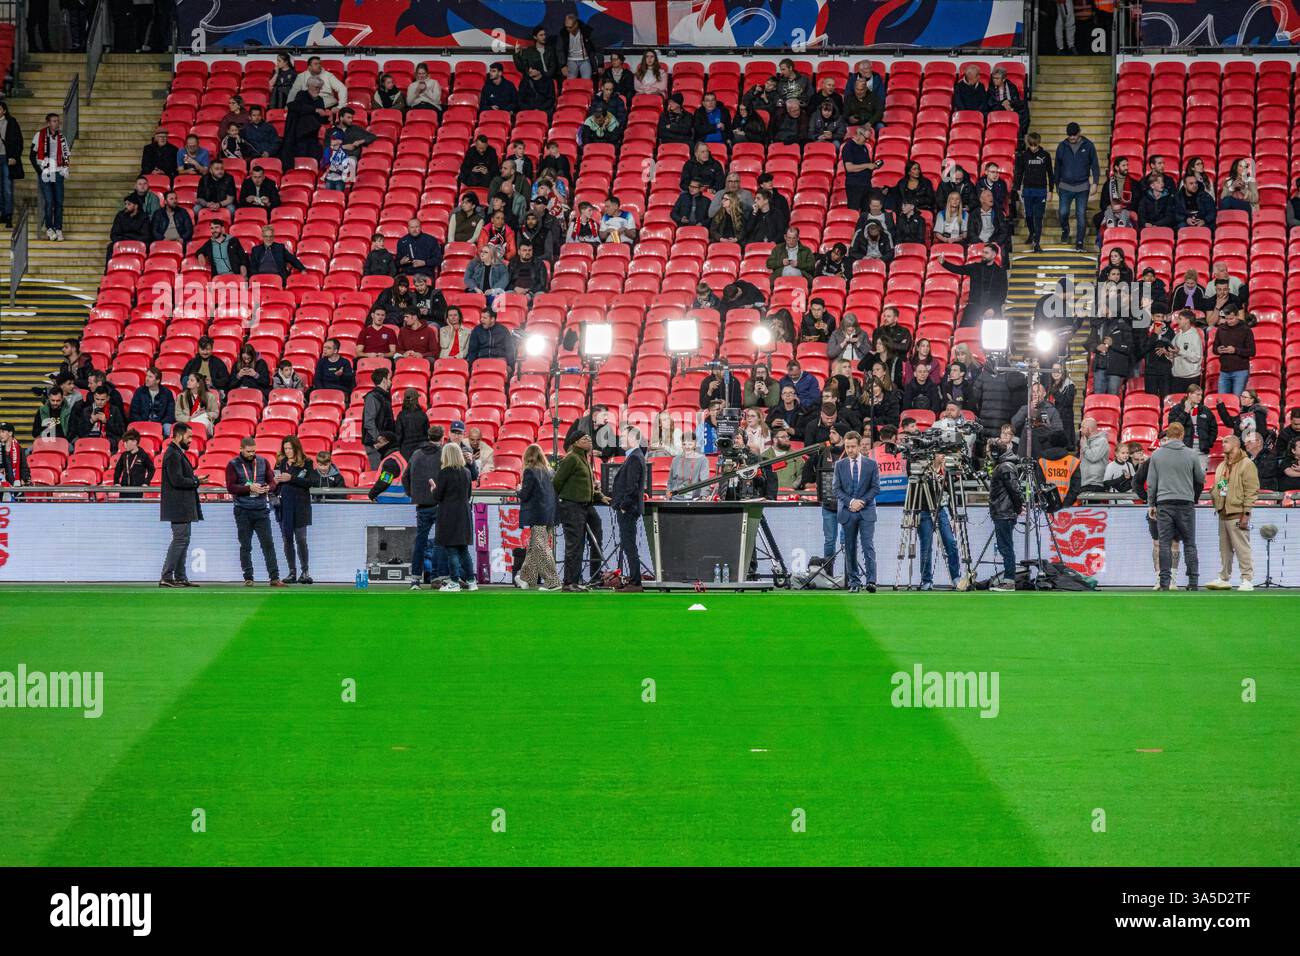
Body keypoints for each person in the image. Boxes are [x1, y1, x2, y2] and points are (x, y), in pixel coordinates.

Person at [1147, 422, 1205, 591]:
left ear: (1168, 434)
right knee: (1189, 543)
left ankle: (1164, 582)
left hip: (1164, 503)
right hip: (1186, 503)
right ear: (1182, 435)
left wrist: (1152, 503)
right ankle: (1193, 582)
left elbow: (1151, 483)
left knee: (1164, 543)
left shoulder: (1157, 455)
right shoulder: (1191, 454)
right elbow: (1201, 479)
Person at [226, 436, 285, 587]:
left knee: (268, 544)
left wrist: (268, 488)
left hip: (260, 509)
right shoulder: (232, 465)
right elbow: (231, 487)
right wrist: (249, 488)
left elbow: (272, 482)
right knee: (245, 545)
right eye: (248, 451)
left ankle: (274, 578)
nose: (252, 454)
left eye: (254, 451)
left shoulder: (263, 462)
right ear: (241, 449)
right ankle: (248, 577)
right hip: (242, 510)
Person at [554, 432, 608, 591]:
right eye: (585, 439)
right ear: (575, 442)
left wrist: (598, 496)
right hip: (572, 506)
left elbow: (587, 484)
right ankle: (569, 582)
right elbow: (557, 482)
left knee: (591, 539)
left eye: (590, 439)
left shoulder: (583, 458)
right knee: (575, 544)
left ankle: (591, 578)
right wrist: (566, 500)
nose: (589, 441)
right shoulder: (571, 458)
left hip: (585, 505)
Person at [1204, 434, 1257, 591]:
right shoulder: (1221, 466)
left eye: (1226, 442)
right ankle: (1224, 578)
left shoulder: (1247, 464)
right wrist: (1216, 494)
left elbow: (1251, 490)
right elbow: (1220, 486)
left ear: (1235, 444)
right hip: (1223, 512)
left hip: (1237, 512)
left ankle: (1247, 579)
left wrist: (1246, 514)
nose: (1223, 444)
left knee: (1242, 547)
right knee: (1224, 549)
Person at [158, 423, 204, 587]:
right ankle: (167, 576)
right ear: (178, 435)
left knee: (183, 540)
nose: (190, 440)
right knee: (180, 540)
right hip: (178, 506)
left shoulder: (175, 453)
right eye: (188, 436)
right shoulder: (173, 454)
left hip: (180, 506)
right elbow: (176, 480)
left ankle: (180, 576)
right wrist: (196, 481)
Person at [833, 431, 880, 593]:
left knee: (868, 545)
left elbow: (875, 488)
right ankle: (854, 581)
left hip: (866, 510)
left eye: (853, 447)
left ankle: (871, 581)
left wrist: (862, 502)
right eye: (847, 447)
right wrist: (851, 502)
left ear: (860, 446)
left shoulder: (871, 464)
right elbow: (836, 489)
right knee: (850, 547)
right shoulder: (839, 465)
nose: (850, 450)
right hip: (847, 511)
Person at [427, 442, 476, 592]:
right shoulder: (467, 472)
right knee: (464, 550)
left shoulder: (444, 473)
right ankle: (472, 581)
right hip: (464, 514)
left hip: (449, 515)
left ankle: (454, 581)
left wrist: (433, 488)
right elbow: (468, 495)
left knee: (452, 550)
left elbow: (438, 496)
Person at [514, 443, 561, 590]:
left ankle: (553, 582)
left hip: (538, 514)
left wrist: (518, 490)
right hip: (550, 514)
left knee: (540, 547)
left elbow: (525, 494)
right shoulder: (550, 471)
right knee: (534, 547)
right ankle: (526, 578)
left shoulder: (530, 471)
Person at [273, 436, 316, 584]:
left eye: (290, 448)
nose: (288, 451)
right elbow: (279, 483)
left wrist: (290, 478)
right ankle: (292, 572)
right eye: (285, 448)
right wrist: (274, 483)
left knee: (301, 539)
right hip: (285, 506)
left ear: (297, 448)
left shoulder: (307, 462)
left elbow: (309, 482)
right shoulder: (282, 462)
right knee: (287, 539)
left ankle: (305, 571)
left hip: (301, 505)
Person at [917, 453, 962, 591]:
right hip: (924, 510)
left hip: (940, 509)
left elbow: (950, 494)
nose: (943, 456)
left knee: (950, 542)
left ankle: (956, 578)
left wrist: (954, 516)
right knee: (926, 546)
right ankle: (926, 580)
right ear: (933, 454)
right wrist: (914, 512)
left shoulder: (946, 471)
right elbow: (914, 490)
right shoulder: (922, 469)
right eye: (940, 453)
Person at [611, 426, 648, 592]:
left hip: (628, 509)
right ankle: (634, 580)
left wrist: (624, 506)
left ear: (633, 438)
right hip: (629, 508)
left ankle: (635, 582)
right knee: (628, 545)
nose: (620, 440)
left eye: (623, 436)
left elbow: (631, 487)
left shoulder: (634, 458)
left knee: (629, 545)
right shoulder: (635, 456)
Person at [1054, 122, 1099, 252]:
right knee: (1063, 212)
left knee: (1081, 215)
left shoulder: (1089, 145)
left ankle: (1080, 242)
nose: (1072, 138)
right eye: (1069, 136)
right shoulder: (1062, 146)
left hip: (1082, 187)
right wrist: (1056, 185)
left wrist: (1095, 182)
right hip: (1065, 186)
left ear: (1079, 133)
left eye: (1074, 135)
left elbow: (1094, 165)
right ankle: (1065, 229)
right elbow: (1057, 167)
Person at [938, 246, 1008, 328]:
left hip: (992, 306)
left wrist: (993, 308)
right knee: (963, 331)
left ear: (994, 255)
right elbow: (959, 269)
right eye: (983, 252)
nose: (983, 255)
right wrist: (944, 263)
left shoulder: (1000, 272)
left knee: (997, 330)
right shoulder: (975, 267)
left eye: (986, 253)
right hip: (974, 305)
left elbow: (1003, 293)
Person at [987, 440, 1023, 591]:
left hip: (1004, 512)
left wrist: (1018, 507)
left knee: (1006, 547)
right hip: (1004, 511)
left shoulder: (1005, 467)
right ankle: (1009, 579)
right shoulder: (1004, 466)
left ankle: (1009, 581)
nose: (988, 454)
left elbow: (1015, 490)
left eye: (989, 451)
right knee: (1005, 547)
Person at [30, 112, 69, 241]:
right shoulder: (39, 135)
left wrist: (64, 168)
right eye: (54, 121)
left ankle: (58, 228)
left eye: (57, 121)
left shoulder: (62, 137)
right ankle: (49, 228)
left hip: (58, 171)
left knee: (59, 202)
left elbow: (66, 155)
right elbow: (31, 155)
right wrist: (39, 171)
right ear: (48, 123)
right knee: (49, 201)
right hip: (46, 171)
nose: (56, 123)